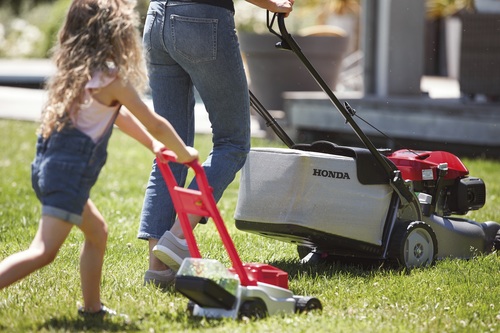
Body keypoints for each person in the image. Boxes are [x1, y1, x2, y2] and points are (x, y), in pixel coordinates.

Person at [0, 0, 198, 318]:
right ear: (115, 34)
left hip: (48, 168)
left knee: (98, 232)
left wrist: (153, 146)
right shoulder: (110, 78)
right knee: (42, 251)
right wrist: (184, 151)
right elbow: (155, 121)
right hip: (67, 176)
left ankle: (92, 309)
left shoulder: (76, 74)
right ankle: (91, 307)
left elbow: (119, 119)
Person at [139, 0, 294, 288]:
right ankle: (178, 236)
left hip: (157, 17)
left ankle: (158, 268)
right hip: (201, 19)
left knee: (169, 150)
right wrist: (273, 4)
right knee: (232, 142)